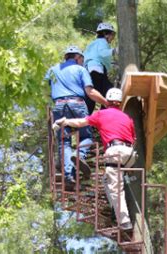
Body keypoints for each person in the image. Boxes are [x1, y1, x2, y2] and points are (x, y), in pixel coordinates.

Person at [53, 88, 136, 231]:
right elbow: (133, 138)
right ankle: (119, 202)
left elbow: (80, 123)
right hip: (130, 154)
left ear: (107, 101)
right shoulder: (127, 118)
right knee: (107, 180)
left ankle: (124, 221)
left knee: (115, 187)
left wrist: (64, 122)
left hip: (114, 151)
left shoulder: (101, 114)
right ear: (120, 103)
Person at [45, 45, 108, 184]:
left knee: (64, 141)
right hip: (77, 104)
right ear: (77, 57)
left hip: (59, 105)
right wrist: (106, 103)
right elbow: (90, 92)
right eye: (82, 59)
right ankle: (79, 155)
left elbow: (46, 89)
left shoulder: (52, 70)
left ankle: (69, 174)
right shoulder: (81, 69)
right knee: (86, 136)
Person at [83, 22, 117, 114]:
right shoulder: (103, 42)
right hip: (96, 69)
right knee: (110, 93)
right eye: (112, 35)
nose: (112, 38)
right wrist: (115, 51)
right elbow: (103, 53)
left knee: (91, 98)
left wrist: (113, 64)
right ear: (106, 34)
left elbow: (97, 57)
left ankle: (87, 118)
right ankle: (103, 116)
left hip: (89, 71)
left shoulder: (92, 44)